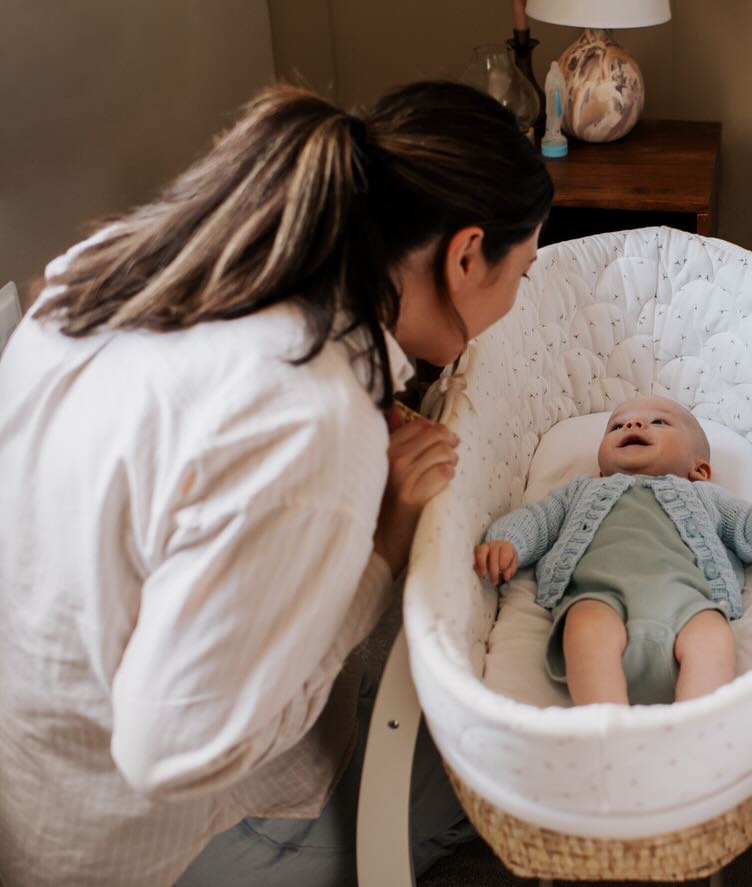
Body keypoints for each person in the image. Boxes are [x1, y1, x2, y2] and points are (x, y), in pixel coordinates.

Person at [0, 81, 552, 887]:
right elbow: (175, 752)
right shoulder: (313, 420)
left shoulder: (138, 259)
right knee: (499, 779)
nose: (519, 296)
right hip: (113, 838)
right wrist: (385, 542)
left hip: (31, 736)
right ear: (466, 255)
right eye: (523, 273)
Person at [473, 396, 752, 706]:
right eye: (617, 426)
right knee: (585, 625)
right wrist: (509, 541)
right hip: (600, 596)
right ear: (601, 470)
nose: (632, 426)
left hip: (687, 604)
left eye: (658, 422)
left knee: (714, 636)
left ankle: (694, 728)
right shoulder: (583, 490)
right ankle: (607, 723)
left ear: (699, 470)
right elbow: (539, 520)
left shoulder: (705, 496)